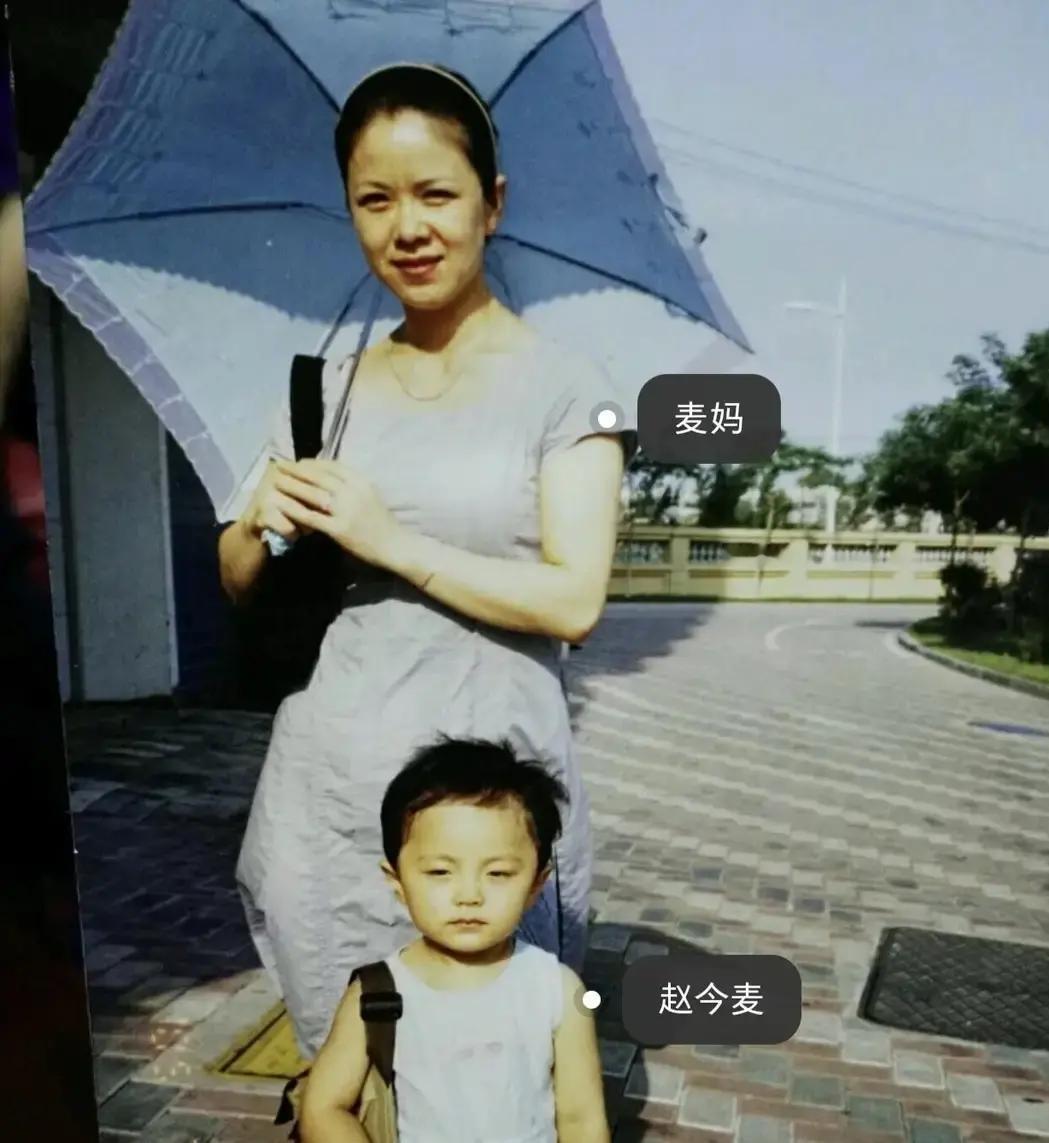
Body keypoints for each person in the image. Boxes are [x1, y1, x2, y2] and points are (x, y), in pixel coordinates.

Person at [217, 62, 627, 1058]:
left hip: (483, 805)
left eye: (436, 194)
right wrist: (257, 524)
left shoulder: (567, 388)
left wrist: (390, 539)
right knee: (352, 1064)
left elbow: (574, 601)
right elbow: (237, 580)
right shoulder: (323, 387)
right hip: (328, 791)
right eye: (375, 200)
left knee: (491, 1070)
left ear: (493, 203)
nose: (408, 227)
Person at [299, 737, 609, 1143]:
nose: (469, 895)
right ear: (397, 880)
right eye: (440, 872)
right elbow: (324, 1108)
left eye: (498, 873)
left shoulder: (557, 990)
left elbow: (582, 1119)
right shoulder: (378, 994)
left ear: (537, 884)